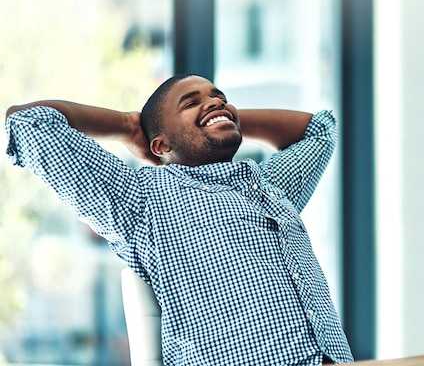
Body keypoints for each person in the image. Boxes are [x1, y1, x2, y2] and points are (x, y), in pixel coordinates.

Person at [5, 73, 353, 365]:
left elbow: (320, 131)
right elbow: (28, 122)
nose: (216, 101)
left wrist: (221, 115)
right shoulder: (140, 198)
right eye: (191, 102)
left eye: (220, 96)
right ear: (159, 145)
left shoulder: (270, 184)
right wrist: (129, 125)